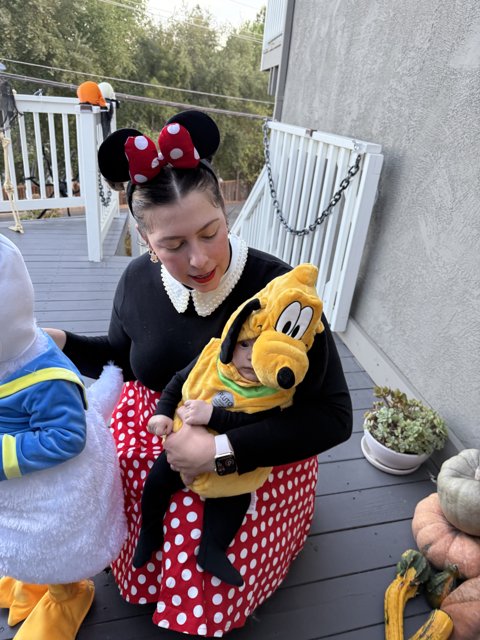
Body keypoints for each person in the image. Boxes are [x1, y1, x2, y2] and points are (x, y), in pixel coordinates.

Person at [46, 109, 352, 637]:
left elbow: (334, 415)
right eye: (173, 245)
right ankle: (145, 569)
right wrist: (65, 344)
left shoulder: (279, 290)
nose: (199, 258)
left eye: (210, 232)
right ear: (145, 240)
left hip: (258, 444)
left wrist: (219, 452)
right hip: (164, 428)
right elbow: (121, 355)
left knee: (201, 538)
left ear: (225, 210)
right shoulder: (137, 283)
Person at [133, 263, 325, 588]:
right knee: (156, 483)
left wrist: (214, 416)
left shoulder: (275, 394)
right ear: (231, 338)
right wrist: (164, 413)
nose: (250, 358)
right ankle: (149, 533)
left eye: (259, 349)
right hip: (183, 446)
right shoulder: (212, 360)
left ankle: (212, 549)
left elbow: (258, 426)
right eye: (245, 345)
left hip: (233, 463)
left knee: (234, 502)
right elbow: (179, 381)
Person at [0, 234, 126, 640]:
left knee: (51, 545)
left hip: (58, 494)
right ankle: (31, 578)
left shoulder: (42, 377)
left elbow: (67, 437)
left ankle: (66, 591)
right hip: (19, 493)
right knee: (25, 546)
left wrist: (5, 455)